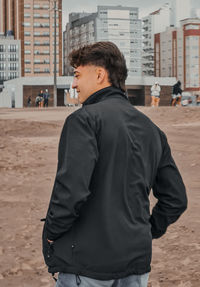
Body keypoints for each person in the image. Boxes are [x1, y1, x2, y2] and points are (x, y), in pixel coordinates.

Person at [42, 42, 187, 287]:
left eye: (77, 75)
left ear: (100, 75)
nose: (74, 84)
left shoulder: (83, 120)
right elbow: (176, 199)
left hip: (87, 265)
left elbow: (71, 191)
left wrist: (51, 234)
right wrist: (145, 232)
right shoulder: (152, 130)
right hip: (135, 263)